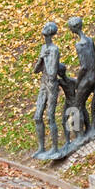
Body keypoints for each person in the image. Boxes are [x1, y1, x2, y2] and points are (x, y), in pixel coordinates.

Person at [32, 22, 63, 153]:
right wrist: (41, 59)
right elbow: (36, 70)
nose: (43, 28)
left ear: (50, 32)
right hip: (43, 84)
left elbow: (52, 72)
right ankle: (41, 147)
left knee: (50, 116)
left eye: (46, 27)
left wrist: (46, 59)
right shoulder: (44, 47)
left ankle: (54, 148)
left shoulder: (54, 50)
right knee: (37, 117)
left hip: (51, 84)